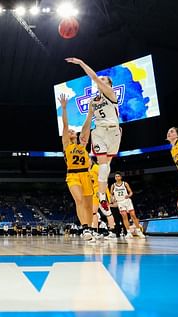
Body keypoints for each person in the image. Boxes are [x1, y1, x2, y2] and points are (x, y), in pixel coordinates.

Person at [65, 57, 121, 212]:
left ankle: (103, 194)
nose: (99, 81)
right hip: (99, 131)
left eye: (104, 79)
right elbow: (89, 120)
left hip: (114, 131)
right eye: (100, 79)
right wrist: (83, 134)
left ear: (109, 84)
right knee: (102, 164)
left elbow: (94, 77)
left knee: (106, 168)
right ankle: (102, 196)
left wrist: (81, 63)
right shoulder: (93, 101)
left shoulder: (110, 94)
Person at [58, 94, 94, 241]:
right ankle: (85, 228)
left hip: (86, 175)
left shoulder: (82, 145)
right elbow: (65, 125)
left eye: (73, 131)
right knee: (79, 200)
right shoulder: (67, 144)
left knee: (89, 206)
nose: (71, 131)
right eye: (69, 131)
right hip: (72, 175)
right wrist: (64, 108)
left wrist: (91, 112)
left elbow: (86, 128)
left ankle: (92, 230)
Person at [110, 172, 145, 239]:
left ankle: (138, 231)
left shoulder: (125, 184)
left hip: (127, 201)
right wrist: (112, 199)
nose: (116, 177)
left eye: (118, 176)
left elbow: (131, 192)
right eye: (115, 176)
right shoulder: (113, 185)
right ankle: (128, 232)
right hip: (120, 202)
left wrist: (128, 195)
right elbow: (111, 194)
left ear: (121, 177)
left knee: (133, 215)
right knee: (124, 217)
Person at [89, 158, 117, 240]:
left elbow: (105, 179)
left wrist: (103, 191)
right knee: (93, 213)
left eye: (88, 160)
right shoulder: (88, 171)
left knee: (108, 212)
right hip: (94, 193)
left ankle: (112, 232)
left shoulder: (96, 168)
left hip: (101, 192)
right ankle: (95, 232)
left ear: (91, 161)